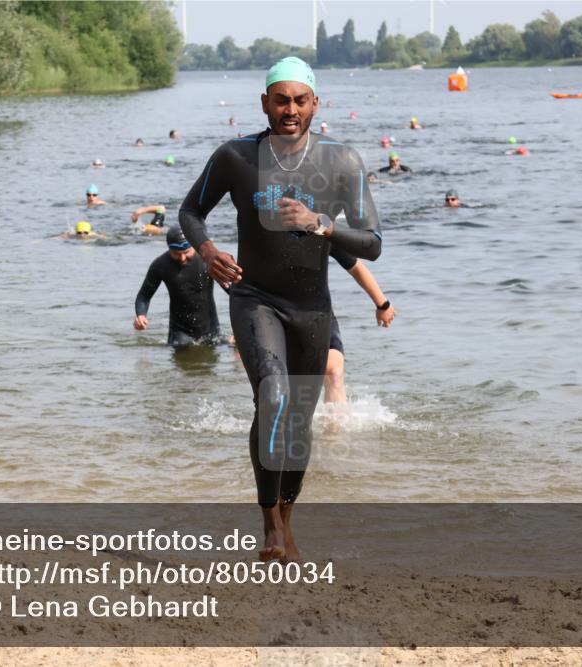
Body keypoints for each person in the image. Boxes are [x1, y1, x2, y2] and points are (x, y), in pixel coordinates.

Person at [179, 56, 381, 563]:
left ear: (316, 103)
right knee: (271, 395)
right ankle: (269, 523)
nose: (290, 109)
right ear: (264, 102)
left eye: (300, 100)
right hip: (255, 298)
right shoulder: (236, 156)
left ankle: (287, 519)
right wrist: (208, 251)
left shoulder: (343, 161)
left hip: (312, 309)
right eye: (281, 99)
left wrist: (323, 224)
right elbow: (190, 211)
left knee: (298, 422)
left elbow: (373, 242)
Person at [323, 247, 395, 403]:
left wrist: (382, 304)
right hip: (271, 312)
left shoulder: (319, 229)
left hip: (317, 310)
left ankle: (333, 427)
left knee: (334, 372)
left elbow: (355, 267)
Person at [134, 225, 222, 348]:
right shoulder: (160, 265)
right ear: (169, 248)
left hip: (210, 328)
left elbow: (233, 291)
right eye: (176, 253)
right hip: (180, 331)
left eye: (186, 252)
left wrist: (239, 329)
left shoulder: (208, 260)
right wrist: (141, 315)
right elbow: (144, 296)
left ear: (193, 245)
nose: (182, 258)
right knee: (181, 359)